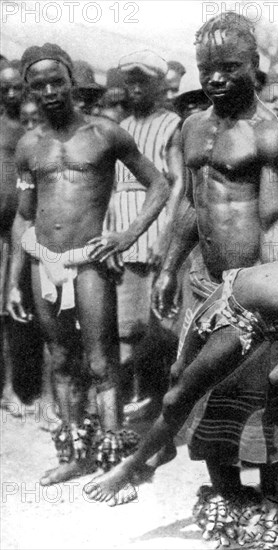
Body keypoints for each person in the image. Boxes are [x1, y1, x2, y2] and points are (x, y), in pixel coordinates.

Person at [84, 255, 278, 532]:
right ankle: (163, 449)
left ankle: (130, 467)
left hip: (243, 313)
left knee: (176, 397)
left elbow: (277, 376)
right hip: (232, 285)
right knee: (177, 374)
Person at [149, 12, 278, 510]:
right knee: (205, 393)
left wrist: (269, 296)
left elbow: (276, 221)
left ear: (254, 66)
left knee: (262, 398)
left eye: (229, 67)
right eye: (205, 68)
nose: (215, 78)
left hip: (251, 287)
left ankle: (276, 508)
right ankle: (230, 499)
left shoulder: (272, 136)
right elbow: (192, 203)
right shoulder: (192, 127)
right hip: (202, 281)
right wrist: (170, 267)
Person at [6, 43, 171, 487]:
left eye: (56, 81)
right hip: (44, 262)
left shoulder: (105, 134)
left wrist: (127, 235)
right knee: (59, 359)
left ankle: (116, 457)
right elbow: (25, 214)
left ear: (70, 83)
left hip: (89, 264)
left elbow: (158, 185)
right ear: (29, 90)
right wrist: (13, 282)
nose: (49, 91)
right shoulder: (28, 146)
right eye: (38, 85)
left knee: (101, 361)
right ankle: (75, 454)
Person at [110, 50, 184, 413]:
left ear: (158, 84)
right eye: (131, 81)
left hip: (153, 227)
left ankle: (157, 404)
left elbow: (178, 183)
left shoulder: (171, 124)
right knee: (125, 326)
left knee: (156, 326)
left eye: (144, 81)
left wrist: (166, 235)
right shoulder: (120, 126)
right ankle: (127, 407)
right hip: (119, 230)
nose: (136, 87)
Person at [0, 65, 26, 408]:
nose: (9, 95)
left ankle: (9, 388)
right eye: (3, 89)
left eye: (15, 88)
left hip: (16, 233)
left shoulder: (30, 130)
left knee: (9, 314)